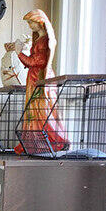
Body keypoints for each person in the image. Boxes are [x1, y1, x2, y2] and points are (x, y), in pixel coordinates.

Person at [8, 9, 68, 154]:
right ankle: (34, 142)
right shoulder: (38, 39)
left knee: (42, 110)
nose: (29, 25)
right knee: (33, 110)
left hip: (40, 78)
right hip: (34, 78)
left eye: (31, 22)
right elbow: (32, 61)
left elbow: (35, 61)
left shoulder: (45, 40)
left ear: (39, 22)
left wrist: (19, 52)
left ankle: (51, 140)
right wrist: (20, 50)